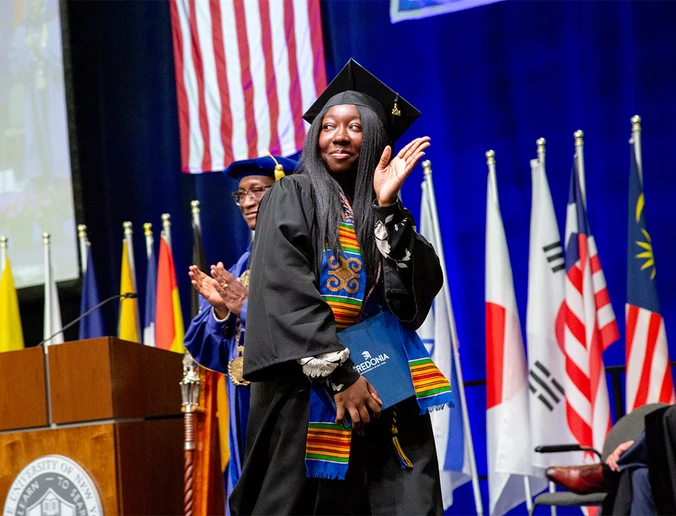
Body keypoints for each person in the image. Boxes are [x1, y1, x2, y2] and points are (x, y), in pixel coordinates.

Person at [230, 59, 447, 515]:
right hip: (308, 395)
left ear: (376, 141)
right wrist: (341, 376)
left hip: (385, 388)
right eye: (328, 126)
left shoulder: (385, 214)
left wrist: (388, 210)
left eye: (354, 127)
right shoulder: (294, 194)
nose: (339, 136)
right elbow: (284, 287)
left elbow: (412, 300)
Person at [184, 154, 297, 515]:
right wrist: (220, 309)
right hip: (246, 406)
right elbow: (205, 344)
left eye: (258, 191)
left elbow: (308, 323)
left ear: (283, 190)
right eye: (241, 194)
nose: (247, 201)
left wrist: (246, 308)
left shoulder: (301, 253)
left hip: (292, 399)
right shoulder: (243, 264)